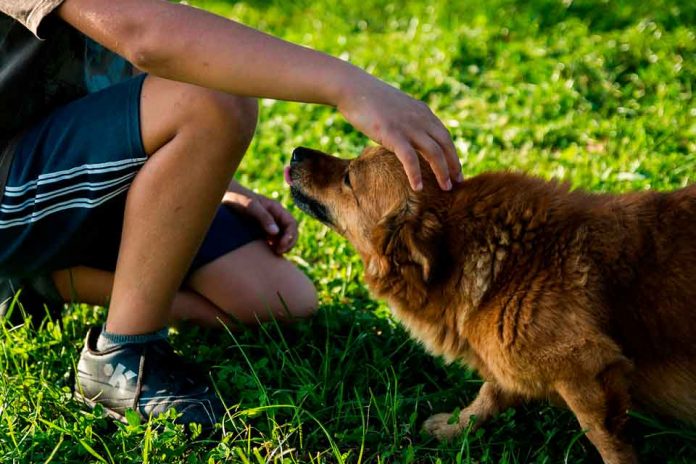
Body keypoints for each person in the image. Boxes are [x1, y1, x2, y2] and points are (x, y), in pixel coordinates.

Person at [0, 0, 462, 429]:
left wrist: (206, 179)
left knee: (277, 300)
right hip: (9, 181)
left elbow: (116, 68)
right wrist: (350, 87)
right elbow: (146, 37)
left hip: (65, 164)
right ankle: (123, 357)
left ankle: (37, 282)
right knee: (215, 98)